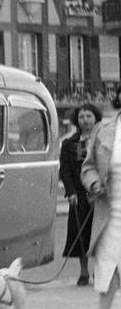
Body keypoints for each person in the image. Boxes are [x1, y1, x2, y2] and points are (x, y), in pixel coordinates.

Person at [80, 89, 121, 309]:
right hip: (111, 210)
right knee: (107, 260)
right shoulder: (103, 129)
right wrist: (94, 183)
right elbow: (88, 167)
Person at [61, 103, 102, 286]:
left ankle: (100, 270)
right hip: (79, 196)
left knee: (100, 234)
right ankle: (84, 271)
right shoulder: (70, 144)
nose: (85, 120)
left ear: (96, 118)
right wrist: (71, 192)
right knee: (81, 234)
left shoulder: (105, 141)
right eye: (81, 117)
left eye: (88, 116)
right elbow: (65, 171)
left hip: (100, 194)